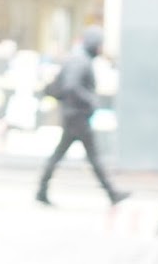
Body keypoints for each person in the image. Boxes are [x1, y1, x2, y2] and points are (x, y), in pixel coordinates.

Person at [35, 26, 128, 207]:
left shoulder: (78, 59)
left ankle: (42, 190)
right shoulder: (80, 61)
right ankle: (112, 193)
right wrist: (91, 101)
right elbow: (71, 86)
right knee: (92, 156)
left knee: (64, 155)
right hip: (77, 116)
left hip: (73, 115)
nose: (101, 48)